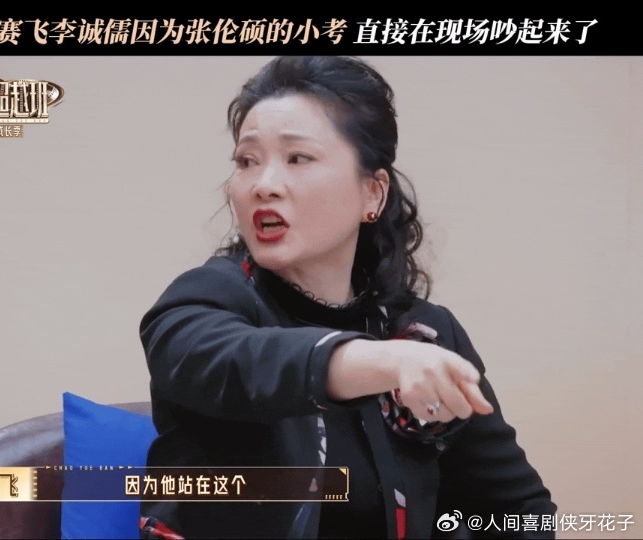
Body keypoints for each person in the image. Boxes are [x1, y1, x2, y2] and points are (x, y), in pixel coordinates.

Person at [138, 56, 556, 539]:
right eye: (247, 161)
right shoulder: (206, 300)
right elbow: (233, 361)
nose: (263, 185)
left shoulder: (425, 333)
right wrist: (380, 362)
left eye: (298, 158)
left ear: (372, 193)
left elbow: (521, 511)